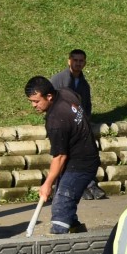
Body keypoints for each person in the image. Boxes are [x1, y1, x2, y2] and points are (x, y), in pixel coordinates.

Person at [24, 76, 100, 234]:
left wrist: (47, 184)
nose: (33, 105)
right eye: (31, 101)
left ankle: (57, 244)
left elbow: (60, 157)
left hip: (81, 164)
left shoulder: (57, 121)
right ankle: (79, 235)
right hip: (82, 156)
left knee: (61, 205)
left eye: (36, 101)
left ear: (49, 96)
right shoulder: (66, 93)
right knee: (65, 200)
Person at [51, 49, 106, 200]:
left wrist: (83, 124)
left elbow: (87, 107)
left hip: (78, 125)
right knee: (68, 155)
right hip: (61, 125)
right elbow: (51, 104)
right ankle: (80, 186)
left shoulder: (84, 84)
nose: (78, 63)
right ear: (69, 61)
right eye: (75, 60)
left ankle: (87, 185)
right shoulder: (58, 80)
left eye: (81, 61)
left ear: (85, 63)